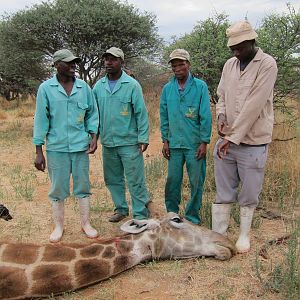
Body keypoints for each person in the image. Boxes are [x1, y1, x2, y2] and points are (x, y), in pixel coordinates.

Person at [212, 21, 278, 253]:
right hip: (227, 139)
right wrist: (220, 117)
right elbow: (221, 95)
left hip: (253, 141)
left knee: (249, 191)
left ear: (252, 41)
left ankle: (243, 235)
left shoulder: (267, 64)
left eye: (240, 46)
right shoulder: (230, 65)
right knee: (223, 189)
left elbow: (254, 105)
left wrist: (231, 138)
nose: (235, 51)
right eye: (232, 47)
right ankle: (218, 234)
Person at [33, 49, 99, 242]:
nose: (73, 66)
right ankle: (59, 226)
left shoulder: (84, 88)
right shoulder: (46, 89)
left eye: (74, 63)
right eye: (68, 63)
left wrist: (94, 136)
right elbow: (40, 120)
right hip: (56, 147)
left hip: (80, 147)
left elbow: (92, 114)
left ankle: (86, 224)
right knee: (57, 188)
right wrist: (39, 150)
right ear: (56, 65)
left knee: (83, 186)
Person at [93, 47, 150, 222]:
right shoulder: (98, 86)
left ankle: (140, 214)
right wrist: (94, 137)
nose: (109, 62)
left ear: (122, 62)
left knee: (135, 179)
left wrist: (143, 137)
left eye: (113, 59)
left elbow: (141, 113)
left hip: (129, 142)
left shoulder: (132, 85)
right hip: (108, 142)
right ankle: (121, 209)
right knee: (112, 179)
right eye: (106, 59)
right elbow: (94, 115)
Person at [160, 49, 212, 225]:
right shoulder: (168, 89)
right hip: (174, 143)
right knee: (173, 181)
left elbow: (205, 115)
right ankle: (172, 214)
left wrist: (204, 142)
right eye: (174, 65)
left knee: (196, 181)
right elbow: (164, 115)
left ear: (188, 64)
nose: (177, 68)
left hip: (194, 144)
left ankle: (192, 217)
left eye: (181, 64)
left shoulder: (200, 86)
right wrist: (165, 140)